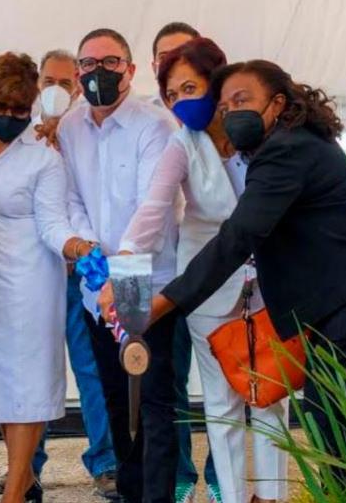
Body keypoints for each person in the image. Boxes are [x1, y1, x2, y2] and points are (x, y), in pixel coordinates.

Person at [141, 59, 346, 484]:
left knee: (340, 440)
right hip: (337, 312)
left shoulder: (287, 150)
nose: (232, 113)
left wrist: (164, 302)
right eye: (225, 107)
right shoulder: (291, 144)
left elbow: (238, 235)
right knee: (337, 436)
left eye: (242, 100)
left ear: (277, 103)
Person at [104, 38, 289, 503]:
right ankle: (233, 495)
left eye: (190, 88)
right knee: (222, 403)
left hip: (270, 281)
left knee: (272, 398)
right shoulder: (181, 144)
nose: (181, 102)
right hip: (207, 284)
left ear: (217, 82)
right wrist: (121, 268)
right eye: (171, 95)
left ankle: (273, 496)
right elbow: (152, 210)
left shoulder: (259, 131)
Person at [0, 51, 95, 503]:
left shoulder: (43, 156)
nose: (11, 118)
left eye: (21, 110)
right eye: (1, 107)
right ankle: (24, 475)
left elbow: (53, 224)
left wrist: (79, 247)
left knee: (26, 384)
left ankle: (14, 493)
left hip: (28, 281)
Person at [0, 48, 119, 501]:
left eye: (67, 83)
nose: (57, 91)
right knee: (29, 372)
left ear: (79, 87)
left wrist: (84, 251)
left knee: (92, 369)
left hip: (82, 273)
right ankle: (26, 469)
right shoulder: (18, 134)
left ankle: (107, 462)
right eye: (49, 82)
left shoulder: (90, 131)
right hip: (33, 272)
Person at [57, 27, 179, 503]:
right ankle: (130, 491)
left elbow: (155, 206)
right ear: (77, 72)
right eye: (89, 64)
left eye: (110, 62)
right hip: (96, 281)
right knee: (114, 393)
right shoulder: (70, 126)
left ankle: (156, 495)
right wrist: (88, 249)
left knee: (151, 399)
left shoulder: (154, 125)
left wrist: (121, 269)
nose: (99, 72)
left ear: (130, 69)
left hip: (143, 279)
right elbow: (70, 196)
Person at [151, 21, 223, 503]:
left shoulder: (236, 125)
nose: (173, 66)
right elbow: (150, 208)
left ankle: (221, 475)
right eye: (164, 59)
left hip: (225, 267)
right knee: (172, 378)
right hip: (173, 268)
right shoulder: (154, 121)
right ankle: (180, 473)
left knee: (232, 375)